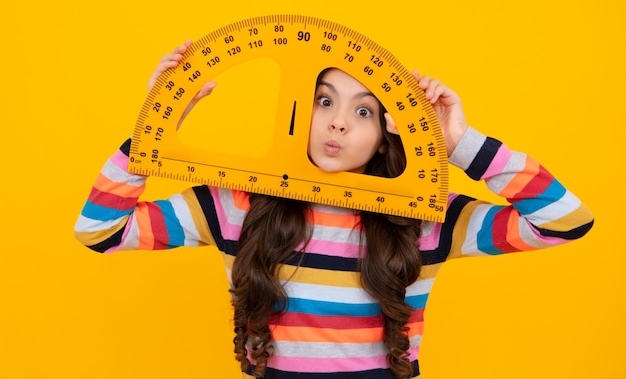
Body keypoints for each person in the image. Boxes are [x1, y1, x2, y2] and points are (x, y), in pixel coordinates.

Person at [74, 40, 594, 379]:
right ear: (297, 112)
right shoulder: (233, 205)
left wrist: (457, 143)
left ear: (392, 129)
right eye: (324, 100)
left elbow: (564, 220)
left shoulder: (426, 218)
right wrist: (154, 129)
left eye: (364, 109)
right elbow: (99, 231)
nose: (339, 122)